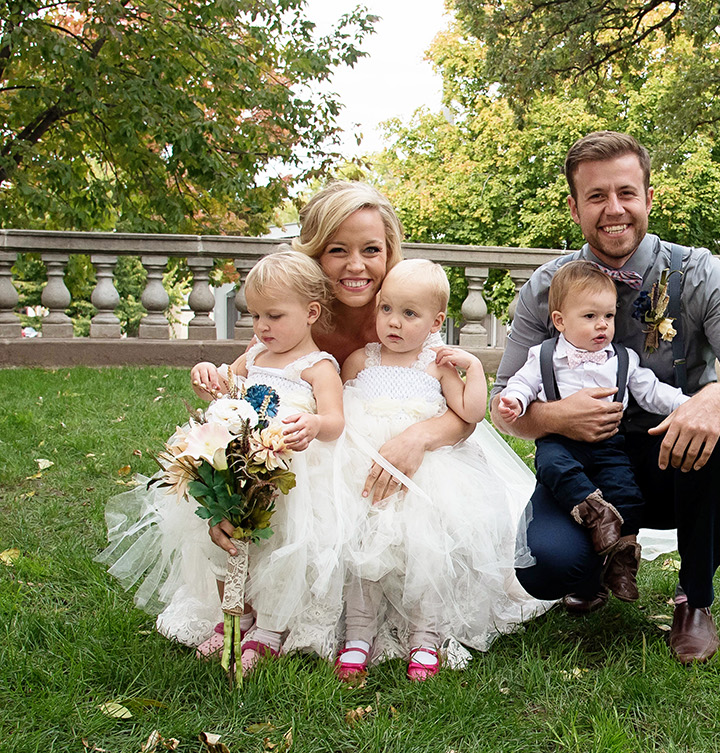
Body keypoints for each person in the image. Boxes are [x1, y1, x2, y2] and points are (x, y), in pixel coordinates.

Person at [491, 131, 720, 664]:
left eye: (626, 192)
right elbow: (502, 406)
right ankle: (589, 570)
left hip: (673, 462)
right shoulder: (546, 288)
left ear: (649, 197)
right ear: (575, 206)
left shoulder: (699, 273)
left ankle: (693, 600)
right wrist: (556, 416)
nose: (614, 209)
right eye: (597, 196)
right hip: (584, 469)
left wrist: (716, 397)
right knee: (545, 570)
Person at [100, 251, 354, 674]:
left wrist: (314, 422)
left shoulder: (317, 366)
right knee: (224, 545)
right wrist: (208, 375)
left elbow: (334, 421)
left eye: (273, 316)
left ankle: (271, 629)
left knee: (276, 550)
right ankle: (236, 614)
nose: (262, 327)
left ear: (311, 313)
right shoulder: (255, 354)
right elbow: (227, 388)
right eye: (255, 316)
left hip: (289, 477)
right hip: (236, 468)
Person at [209, 181, 478, 558]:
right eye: (338, 251)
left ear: (389, 254)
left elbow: (464, 415)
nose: (356, 265)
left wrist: (417, 438)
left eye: (371, 250)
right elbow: (241, 407)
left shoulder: (406, 319)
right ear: (315, 256)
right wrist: (232, 490)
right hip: (313, 472)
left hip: (392, 453)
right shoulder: (290, 323)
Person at [337, 260, 549, 682]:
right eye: (386, 309)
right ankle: (358, 636)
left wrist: (471, 367)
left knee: (426, 552)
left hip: (429, 476)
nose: (393, 323)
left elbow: (469, 413)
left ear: (436, 322)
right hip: (367, 471)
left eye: (409, 314)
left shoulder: (437, 364)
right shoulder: (362, 360)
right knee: (361, 552)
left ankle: (425, 637)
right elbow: (345, 414)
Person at [494, 260, 689, 604]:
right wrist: (514, 401)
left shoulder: (623, 359)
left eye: (609, 317)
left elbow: (652, 391)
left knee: (628, 494)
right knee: (553, 466)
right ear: (559, 320)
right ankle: (592, 510)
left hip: (609, 445)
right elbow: (521, 384)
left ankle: (621, 562)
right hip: (561, 443)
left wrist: (686, 404)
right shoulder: (545, 356)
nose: (602, 325)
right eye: (589, 317)